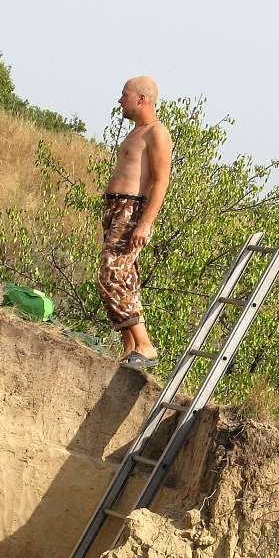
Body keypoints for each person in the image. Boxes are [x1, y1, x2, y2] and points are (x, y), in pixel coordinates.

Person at [99, 76, 173, 370]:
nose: (120, 100)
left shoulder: (157, 132)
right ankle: (130, 347)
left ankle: (145, 345)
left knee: (111, 273)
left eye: (124, 95)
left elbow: (161, 180)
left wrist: (145, 223)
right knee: (124, 278)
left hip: (132, 210)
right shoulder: (135, 132)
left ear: (142, 99)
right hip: (116, 208)